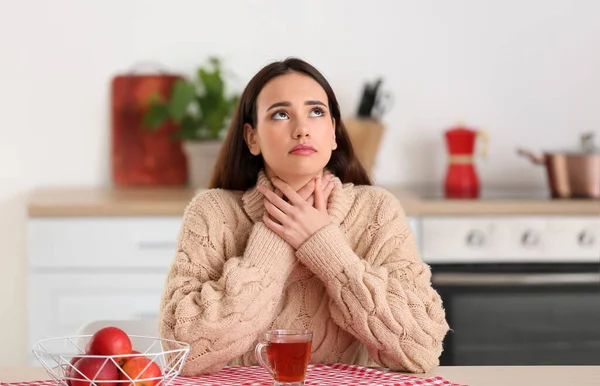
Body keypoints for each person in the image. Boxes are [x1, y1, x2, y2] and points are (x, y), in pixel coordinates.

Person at [158, 58, 449, 376]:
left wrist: (326, 248)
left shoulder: (377, 211)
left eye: (316, 112)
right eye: (281, 114)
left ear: (334, 133)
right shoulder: (212, 212)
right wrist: (273, 240)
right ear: (252, 137)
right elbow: (182, 355)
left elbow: (421, 348)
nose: (302, 129)